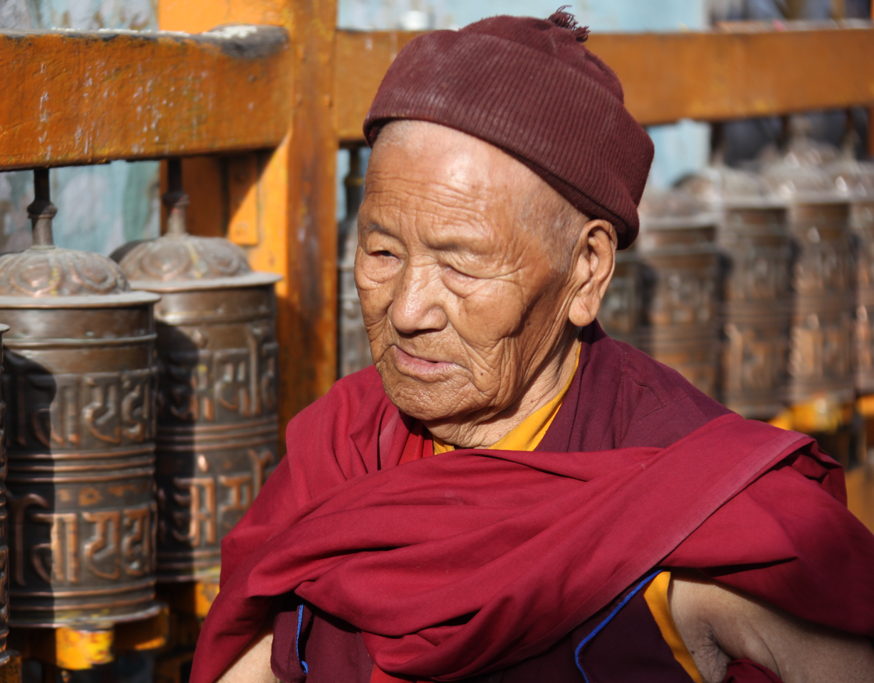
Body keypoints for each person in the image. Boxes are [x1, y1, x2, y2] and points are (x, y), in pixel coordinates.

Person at [189, 11, 874, 683]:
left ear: (586, 271)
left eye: (461, 264)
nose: (406, 309)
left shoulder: (699, 509)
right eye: (381, 249)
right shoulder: (344, 446)